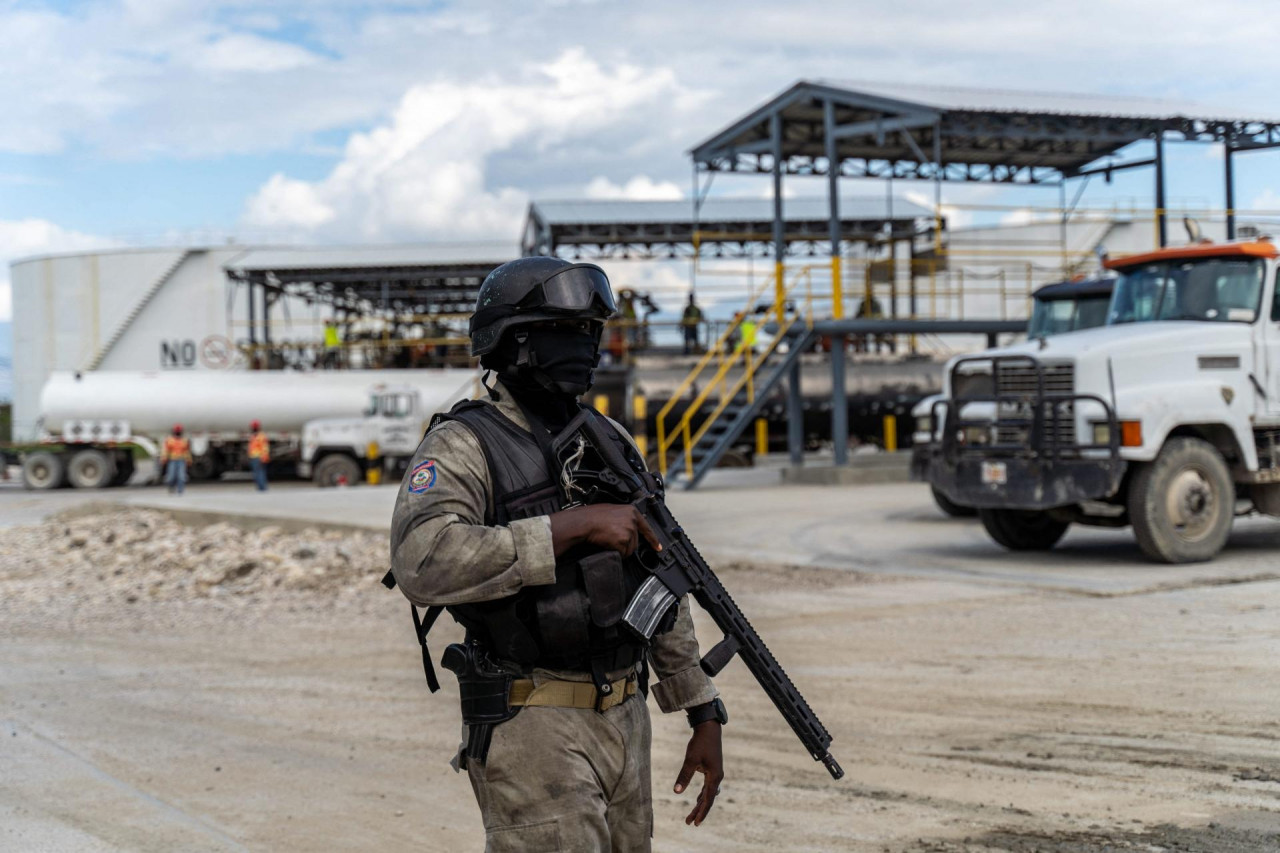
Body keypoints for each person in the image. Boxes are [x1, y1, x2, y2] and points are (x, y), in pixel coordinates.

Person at [389, 258, 726, 851]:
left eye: (592, 332)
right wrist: (568, 528)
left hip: (626, 717)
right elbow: (423, 560)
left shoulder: (609, 441)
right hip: (534, 723)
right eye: (568, 332)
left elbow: (659, 579)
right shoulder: (464, 444)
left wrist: (700, 707)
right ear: (515, 341)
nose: (588, 347)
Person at [160, 424, 191, 495]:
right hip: (172, 460)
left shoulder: (184, 441)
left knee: (181, 476)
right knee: (171, 476)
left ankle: (180, 490)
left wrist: (188, 459)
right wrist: (164, 458)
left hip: (181, 460)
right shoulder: (170, 440)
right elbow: (166, 450)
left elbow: (186, 451)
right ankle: (171, 486)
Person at [248, 420, 270, 492]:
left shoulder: (261, 436)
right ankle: (260, 486)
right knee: (257, 473)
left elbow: (265, 447)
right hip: (254, 457)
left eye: (253, 427)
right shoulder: (254, 436)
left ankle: (262, 487)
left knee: (260, 472)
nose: (252, 428)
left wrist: (264, 457)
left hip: (259, 457)